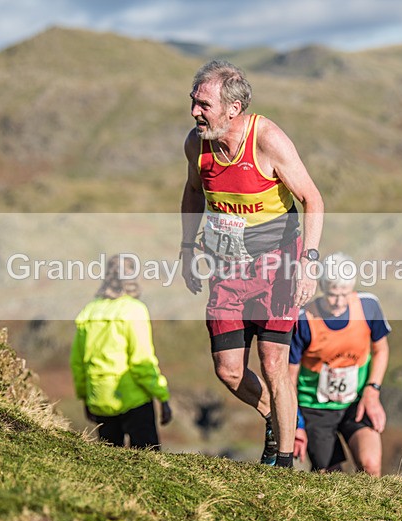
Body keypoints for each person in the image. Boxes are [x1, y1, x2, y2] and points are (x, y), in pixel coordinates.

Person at [179, 60, 324, 468]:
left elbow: (313, 199)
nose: (194, 112)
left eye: (203, 104)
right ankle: (276, 419)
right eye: (193, 102)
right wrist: (188, 247)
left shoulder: (268, 139)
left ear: (233, 108)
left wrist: (308, 264)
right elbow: (193, 190)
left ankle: (283, 463)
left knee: (274, 363)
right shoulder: (197, 143)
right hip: (227, 269)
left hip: (279, 266)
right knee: (227, 370)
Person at [289, 252, 391, 475]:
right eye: (333, 295)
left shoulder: (368, 307)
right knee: (330, 476)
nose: (339, 302)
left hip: (355, 402)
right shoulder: (304, 319)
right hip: (314, 408)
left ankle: (372, 510)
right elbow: (289, 379)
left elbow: (381, 349)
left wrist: (372, 392)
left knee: (370, 465)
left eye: (345, 294)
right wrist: (296, 425)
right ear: (322, 287)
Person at [70, 254, 172, 449]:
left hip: (99, 397)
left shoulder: (89, 311)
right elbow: (141, 362)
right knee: (148, 462)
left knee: (110, 462)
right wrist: (162, 396)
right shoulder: (134, 310)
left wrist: (85, 396)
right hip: (133, 398)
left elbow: (77, 362)